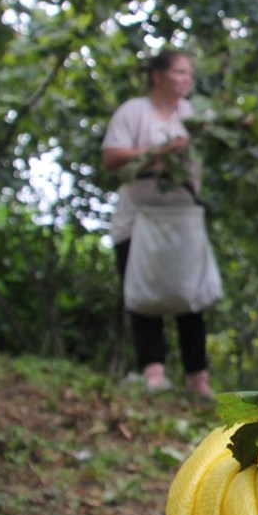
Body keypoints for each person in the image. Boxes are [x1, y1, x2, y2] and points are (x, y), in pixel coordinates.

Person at [101, 49, 213, 399]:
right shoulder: (133, 112)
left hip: (182, 219)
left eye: (189, 74)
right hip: (138, 218)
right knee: (143, 293)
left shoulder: (192, 115)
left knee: (189, 297)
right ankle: (153, 373)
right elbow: (111, 157)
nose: (185, 80)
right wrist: (161, 152)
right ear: (158, 75)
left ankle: (199, 380)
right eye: (179, 72)